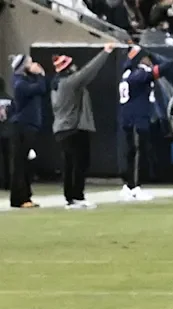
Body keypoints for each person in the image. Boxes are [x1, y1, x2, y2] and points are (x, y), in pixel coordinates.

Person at [118, 45, 173, 202]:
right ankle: (135, 187)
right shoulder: (140, 76)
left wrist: (132, 52)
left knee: (131, 153)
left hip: (127, 119)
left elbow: (127, 62)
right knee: (138, 153)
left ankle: (128, 185)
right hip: (138, 119)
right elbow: (160, 70)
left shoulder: (127, 72)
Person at [51, 45, 114, 210]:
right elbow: (88, 71)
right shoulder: (69, 83)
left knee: (70, 164)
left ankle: (70, 197)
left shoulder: (56, 85)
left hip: (62, 129)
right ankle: (76, 196)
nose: (74, 67)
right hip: (73, 128)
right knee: (79, 163)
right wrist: (105, 52)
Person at [8, 54, 49, 209]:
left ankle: (24, 196)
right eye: (29, 62)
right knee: (21, 163)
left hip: (29, 126)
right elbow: (40, 88)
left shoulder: (26, 80)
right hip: (23, 126)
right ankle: (20, 197)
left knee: (26, 163)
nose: (34, 64)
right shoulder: (20, 84)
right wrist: (40, 75)